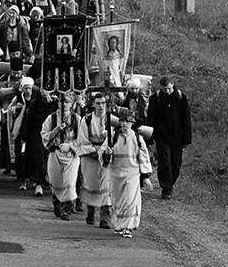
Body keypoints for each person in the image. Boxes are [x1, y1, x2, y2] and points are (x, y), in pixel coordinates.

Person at [146, 75, 192, 200]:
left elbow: (186, 118)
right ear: (161, 87)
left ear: (173, 85)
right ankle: (166, 189)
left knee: (176, 163)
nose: (167, 91)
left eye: (169, 88)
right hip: (162, 136)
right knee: (165, 162)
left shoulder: (181, 97)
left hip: (177, 136)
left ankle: (170, 184)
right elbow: (151, 118)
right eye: (165, 89)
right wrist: (150, 138)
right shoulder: (155, 99)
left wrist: (186, 139)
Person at [109, 109, 153, 238]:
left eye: (127, 122)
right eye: (123, 121)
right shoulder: (113, 136)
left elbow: (143, 156)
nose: (124, 124)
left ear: (132, 123)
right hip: (116, 173)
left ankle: (128, 227)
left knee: (130, 201)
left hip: (132, 173)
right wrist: (106, 154)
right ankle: (119, 225)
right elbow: (104, 154)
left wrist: (145, 176)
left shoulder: (137, 138)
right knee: (117, 201)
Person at [41, 90, 80, 219]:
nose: (64, 105)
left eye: (67, 102)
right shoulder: (51, 118)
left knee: (69, 182)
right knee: (56, 180)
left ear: (72, 104)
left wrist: (71, 146)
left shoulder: (76, 119)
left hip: (71, 155)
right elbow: (44, 135)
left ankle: (66, 209)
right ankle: (57, 205)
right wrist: (56, 130)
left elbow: (82, 138)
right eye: (62, 102)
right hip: (55, 153)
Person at [75, 93, 113, 229]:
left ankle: (105, 217)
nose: (101, 106)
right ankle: (90, 212)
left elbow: (113, 138)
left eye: (103, 103)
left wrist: (105, 151)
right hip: (91, 156)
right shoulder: (87, 119)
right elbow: (82, 139)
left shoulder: (111, 120)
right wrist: (93, 151)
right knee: (91, 184)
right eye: (98, 103)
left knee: (106, 186)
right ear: (93, 104)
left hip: (106, 156)